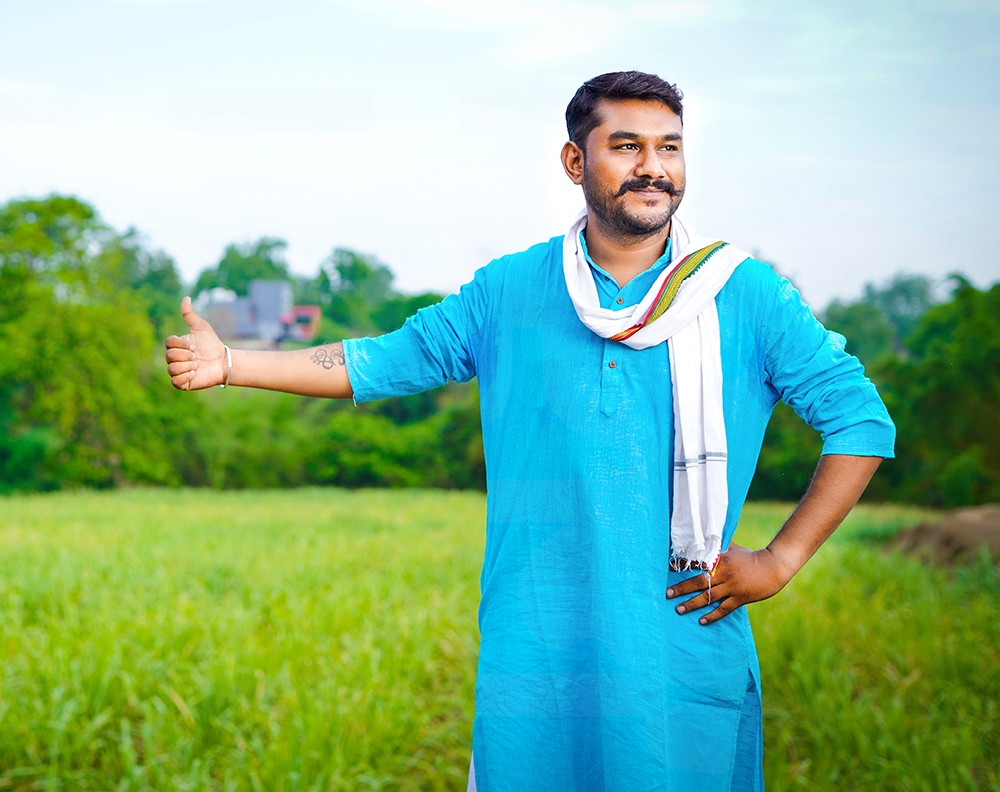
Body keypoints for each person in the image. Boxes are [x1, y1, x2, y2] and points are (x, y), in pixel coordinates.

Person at [165, 71, 895, 792]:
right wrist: (229, 362)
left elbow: (859, 419)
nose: (653, 168)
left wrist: (782, 558)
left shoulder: (745, 293)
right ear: (576, 161)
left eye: (670, 149)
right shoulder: (510, 289)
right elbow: (380, 361)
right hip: (536, 652)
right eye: (627, 146)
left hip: (677, 645)